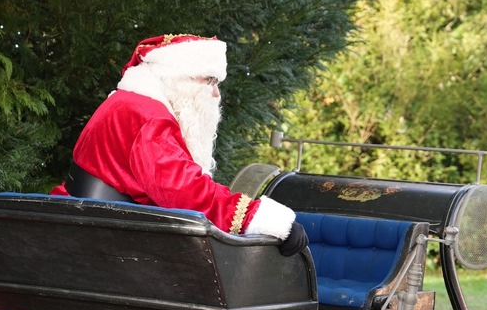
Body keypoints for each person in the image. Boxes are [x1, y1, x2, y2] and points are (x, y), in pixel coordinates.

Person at [52, 33, 309, 255]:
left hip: (88, 228)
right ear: (179, 77)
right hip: (107, 244)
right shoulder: (147, 117)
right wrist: (258, 217)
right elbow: (184, 190)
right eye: (210, 81)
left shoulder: (128, 103)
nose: (216, 94)